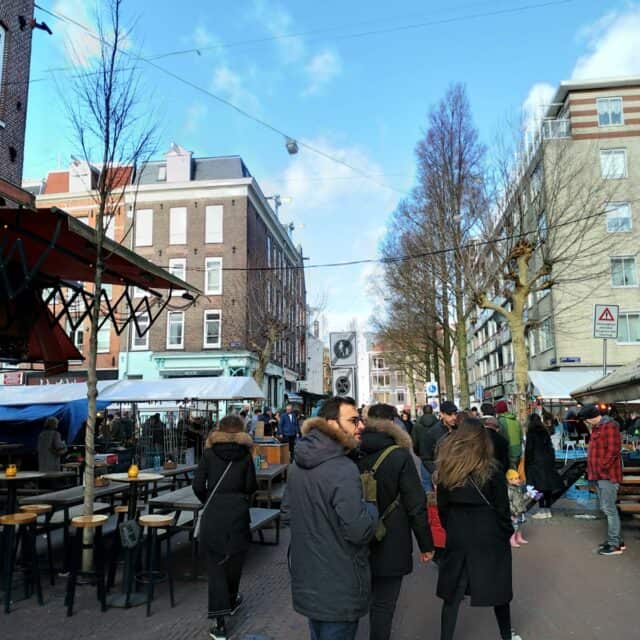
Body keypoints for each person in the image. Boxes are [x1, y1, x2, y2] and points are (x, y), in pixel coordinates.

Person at [286, 396, 378, 640]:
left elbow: (287, 512)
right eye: (353, 420)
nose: (361, 426)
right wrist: (371, 509)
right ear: (332, 424)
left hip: (307, 578)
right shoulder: (343, 468)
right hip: (339, 582)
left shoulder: (296, 465)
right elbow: (359, 531)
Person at [435, 418, 521, 640]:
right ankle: (505, 635)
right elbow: (502, 507)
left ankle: (446, 637)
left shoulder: (447, 467)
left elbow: (442, 506)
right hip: (489, 531)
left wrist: (451, 528)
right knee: (499, 588)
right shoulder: (491, 468)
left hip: (458, 531)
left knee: (452, 593)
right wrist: (505, 531)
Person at [357, 404, 434, 640]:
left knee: (364, 596)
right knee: (384, 603)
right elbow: (415, 503)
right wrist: (426, 544)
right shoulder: (399, 455)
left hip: (359, 535)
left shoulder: (352, 452)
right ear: (392, 423)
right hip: (393, 537)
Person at [193, 415, 257, 640]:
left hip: (214, 513)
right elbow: (251, 486)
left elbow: (198, 485)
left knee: (216, 566)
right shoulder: (246, 456)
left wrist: (210, 499)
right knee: (234, 563)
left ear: (220, 429)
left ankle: (219, 624)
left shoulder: (209, 454)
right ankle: (231, 599)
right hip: (238, 514)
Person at [579, 403, 624, 556]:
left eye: (586, 420)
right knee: (607, 508)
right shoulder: (599, 427)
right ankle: (617, 540)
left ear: (590, 417)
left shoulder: (609, 426)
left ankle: (614, 544)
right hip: (600, 475)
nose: (586, 422)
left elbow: (613, 451)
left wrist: (602, 467)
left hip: (607, 475)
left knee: (609, 508)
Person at [525, 413, 563, 520]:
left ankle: (542, 509)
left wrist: (527, 465)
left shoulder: (531, 433)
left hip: (536, 463)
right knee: (547, 487)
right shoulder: (545, 431)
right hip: (547, 461)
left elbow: (529, 450)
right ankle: (547, 510)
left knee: (537, 487)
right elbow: (550, 447)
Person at [422, 401, 459, 489]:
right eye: (450, 414)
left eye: (455, 414)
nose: (454, 417)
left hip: (459, 476)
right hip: (443, 478)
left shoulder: (460, 429)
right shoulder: (432, 433)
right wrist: (437, 472)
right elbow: (426, 458)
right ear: (442, 414)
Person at [495, 400, 522, 469]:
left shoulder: (500, 421)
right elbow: (521, 437)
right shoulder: (515, 420)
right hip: (518, 451)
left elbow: (501, 438)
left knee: (511, 475)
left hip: (509, 453)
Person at [506, 469, 529, 548]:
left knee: (519, 525)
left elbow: (521, 498)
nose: (518, 480)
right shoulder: (509, 490)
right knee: (514, 526)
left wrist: (528, 495)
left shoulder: (518, 488)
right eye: (515, 479)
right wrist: (513, 511)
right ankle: (512, 540)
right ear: (509, 480)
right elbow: (509, 502)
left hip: (520, 510)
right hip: (514, 512)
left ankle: (519, 538)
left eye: (518, 478)